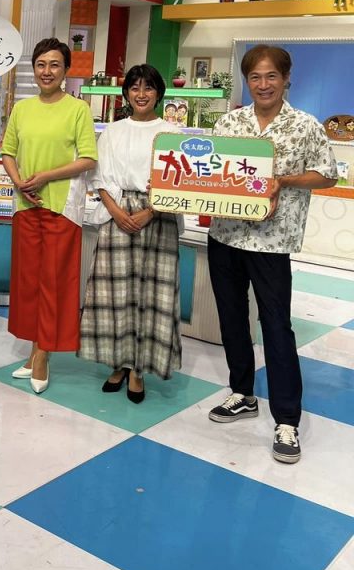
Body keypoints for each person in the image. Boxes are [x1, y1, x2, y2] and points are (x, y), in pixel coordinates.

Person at [207, 45, 337, 463]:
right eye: (255, 77)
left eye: (271, 76)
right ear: (246, 81)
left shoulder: (305, 126)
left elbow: (327, 175)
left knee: (277, 327)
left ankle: (286, 419)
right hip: (226, 235)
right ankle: (242, 393)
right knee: (232, 319)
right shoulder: (230, 122)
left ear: (286, 79)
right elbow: (210, 170)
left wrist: (284, 180)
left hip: (272, 242)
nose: (263, 85)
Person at [79, 64, 181, 403]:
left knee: (152, 296)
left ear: (159, 93)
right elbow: (99, 177)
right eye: (135, 87)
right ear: (126, 93)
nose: (141, 94)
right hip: (117, 213)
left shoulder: (171, 132)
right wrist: (117, 211)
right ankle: (119, 362)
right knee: (115, 295)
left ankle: (139, 369)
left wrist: (150, 211)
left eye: (148, 87)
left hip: (158, 216)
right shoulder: (112, 131)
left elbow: (178, 181)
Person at [1, 38, 97, 393]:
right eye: (41, 64)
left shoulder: (78, 109)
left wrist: (44, 177)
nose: (47, 71)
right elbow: (8, 152)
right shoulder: (22, 109)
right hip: (26, 205)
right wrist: (20, 182)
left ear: (66, 70)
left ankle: (42, 355)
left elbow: (88, 159)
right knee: (28, 281)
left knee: (55, 282)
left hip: (62, 207)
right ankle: (34, 349)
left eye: (55, 64)